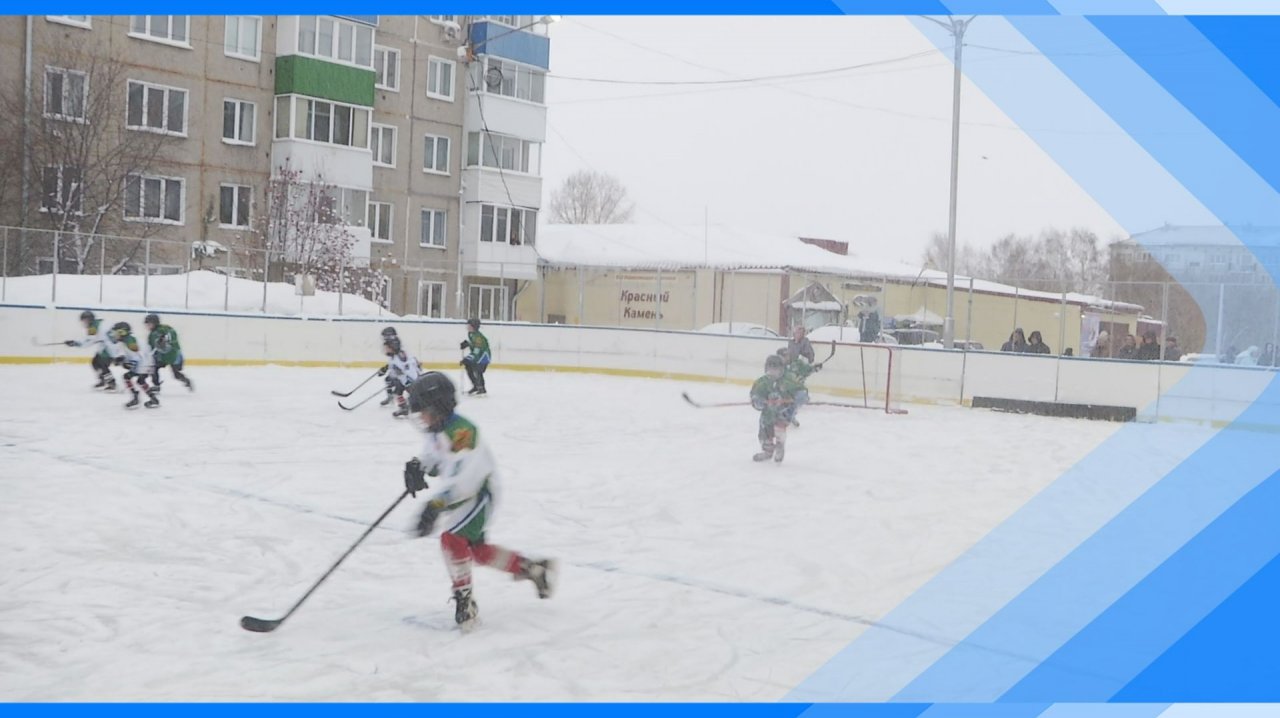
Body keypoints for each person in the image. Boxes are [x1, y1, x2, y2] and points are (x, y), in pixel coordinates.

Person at [401, 372, 557, 631]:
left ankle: (465, 602)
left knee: (451, 539)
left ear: (439, 408)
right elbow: (434, 455)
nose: (422, 418)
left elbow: (464, 484)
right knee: (476, 552)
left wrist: (435, 506)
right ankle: (534, 569)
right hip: (466, 494)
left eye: (424, 411)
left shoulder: (463, 433)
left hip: (480, 494)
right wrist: (419, 467)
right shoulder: (437, 429)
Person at [749, 354, 802, 463]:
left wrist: (800, 396)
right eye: (770, 370)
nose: (772, 373)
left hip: (785, 410)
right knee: (764, 431)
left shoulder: (788, 381)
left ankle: (779, 446)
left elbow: (801, 390)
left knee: (779, 427)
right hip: (768, 412)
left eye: (775, 371)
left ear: (782, 370)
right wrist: (757, 401)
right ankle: (767, 451)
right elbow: (755, 394)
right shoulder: (762, 382)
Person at [65, 310, 119, 391]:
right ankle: (103, 379)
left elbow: (88, 342)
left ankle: (112, 383)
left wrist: (75, 343)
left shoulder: (93, 328)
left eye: (84, 320)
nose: (84, 323)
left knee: (102, 364)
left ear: (89, 320)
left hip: (110, 347)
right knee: (95, 362)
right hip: (108, 346)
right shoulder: (98, 323)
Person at [109, 322, 158, 409]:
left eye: (116, 332)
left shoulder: (130, 341)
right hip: (146, 362)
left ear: (122, 332)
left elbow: (136, 355)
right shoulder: (127, 340)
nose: (114, 335)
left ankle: (137, 398)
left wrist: (129, 363)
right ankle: (152, 399)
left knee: (131, 378)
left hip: (144, 363)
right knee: (139, 380)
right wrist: (121, 359)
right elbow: (131, 354)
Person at [144, 314, 193, 393]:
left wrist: (164, 338)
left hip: (173, 355)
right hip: (163, 357)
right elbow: (150, 348)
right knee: (154, 368)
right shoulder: (151, 336)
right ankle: (156, 385)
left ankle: (186, 380)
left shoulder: (164, 328)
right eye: (147, 324)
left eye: (149, 324)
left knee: (176, 374)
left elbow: (171, 334)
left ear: (155, 323)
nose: (148, 326)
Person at [379, 334, 422, 418]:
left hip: (411, 382)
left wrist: (408, 382)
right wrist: (385, 369)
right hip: (409, 380)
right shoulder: (399, 355)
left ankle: (407, 407)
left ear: (393, 347)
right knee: (398, 391)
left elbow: (403, 370)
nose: (385, 350)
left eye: (387, 348)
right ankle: (404, 408)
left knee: (417, 398)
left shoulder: (398, 359)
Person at [778, 346, 822, 428]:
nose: (785, 358)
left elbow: (807, 369)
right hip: (782, 392)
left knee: (802, 397)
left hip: (796, 391)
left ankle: (790, 416)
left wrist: (814, 368)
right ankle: (782, 416)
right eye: (783, 356)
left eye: (786, 355)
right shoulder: (777, 367)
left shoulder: (797, 363)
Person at [460, 318, 491, 396]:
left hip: (483, 357)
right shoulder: (471, 334)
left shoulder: (478, 337)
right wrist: (468, 344)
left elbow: (477, 351)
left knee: (477, 370)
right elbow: (473, 346)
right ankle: (476, 386)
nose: (467, 327)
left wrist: (467, 359)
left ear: (474, 327)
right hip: (478, 356)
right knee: (469, 367)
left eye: (469, 325)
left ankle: (481, 388)